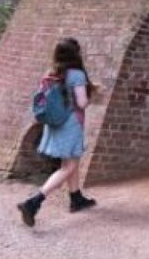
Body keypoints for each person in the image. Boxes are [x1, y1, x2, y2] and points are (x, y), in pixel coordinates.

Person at [17, 38, 100, 226]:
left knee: (70, 161)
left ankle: (76, 198)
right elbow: (82, 104)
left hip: (55, 123)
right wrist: (92, 94)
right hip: (71, 125)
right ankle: (33, 202)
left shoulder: (52, 73)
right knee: (68, 167)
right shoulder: (77, 74)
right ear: (76, 54)